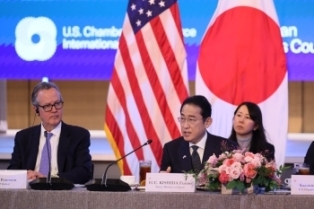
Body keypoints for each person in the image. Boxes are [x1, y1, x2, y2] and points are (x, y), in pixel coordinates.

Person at [8, 82, 92, 184]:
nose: (54, 110)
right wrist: (27, 175)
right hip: (30, 192)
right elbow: (12, 170)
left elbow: (84, 172)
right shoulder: (23, 137)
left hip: (62, 193)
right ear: (36, 110)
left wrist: (49, 178)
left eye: (57, 103)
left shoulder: (78, 135)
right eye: (47, 106)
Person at [160, 95, 236, 173]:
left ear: (207, 122)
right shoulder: (171, 149)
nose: (185, 126)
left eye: (191, 119)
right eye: (182, 118)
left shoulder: (227, 148)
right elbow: (163, 176)